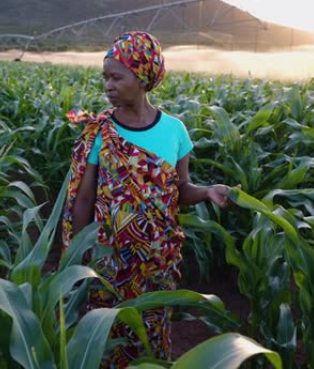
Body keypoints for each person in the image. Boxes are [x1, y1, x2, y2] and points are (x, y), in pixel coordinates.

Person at [62, 31, 233, 368]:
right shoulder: (99, 131)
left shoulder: (175, 131)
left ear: (142, 78)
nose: (107, 85)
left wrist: (207, 192)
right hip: (107, 262)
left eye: (116, 76)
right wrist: (77, 259)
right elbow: (83, 200)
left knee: (149, 338)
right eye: (104, 77)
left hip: (155, 260)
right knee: (104, 339)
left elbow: (180, 191)